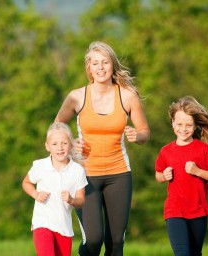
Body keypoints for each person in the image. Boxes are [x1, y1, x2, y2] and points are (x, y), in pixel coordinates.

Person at [54, 41, 150, 256]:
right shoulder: (77, 97)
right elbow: (57, 127)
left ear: (112, 65)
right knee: (94, 240)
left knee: (116, 242)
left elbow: (145, 131)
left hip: (119, 175)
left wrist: (138, 135)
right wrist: (69, 144)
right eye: (95, 63)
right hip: (84, 176)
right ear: (89, 68)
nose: (100, 67)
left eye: (105, 62)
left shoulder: (127, 96)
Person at [154, 96, 208, 256]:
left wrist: (198, 171)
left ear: (195, 127)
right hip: (174, 210)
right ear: (172, 123)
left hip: (197, 210)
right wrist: (163, 176)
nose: (183, 129)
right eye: (179, 124)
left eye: (188, 125)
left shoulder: (203, 150)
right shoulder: (166, 151)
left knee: (195, 253)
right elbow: (158, 175)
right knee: (182, 253)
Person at [22, 122, 88, 256]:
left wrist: (71, 199)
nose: (60, 148)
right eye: (55, 144)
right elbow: (26, 182)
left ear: (71, 145)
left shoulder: (78, 171)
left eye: (64, 143)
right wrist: (35, 194)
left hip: (64, 227)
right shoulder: (40, 166)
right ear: (47, 146)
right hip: (42, 223)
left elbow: (81, 201)